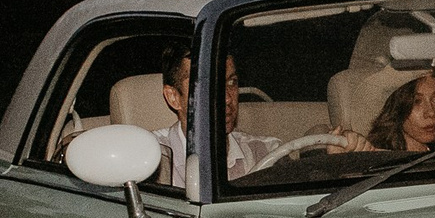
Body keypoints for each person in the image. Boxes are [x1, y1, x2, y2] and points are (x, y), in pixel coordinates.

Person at [155, 48, 366, 182]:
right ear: (173, 97)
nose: (227, 99)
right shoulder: (151, 157)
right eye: (209, 86)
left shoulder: (267, 151)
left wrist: (337, 166)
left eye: (231, 83)